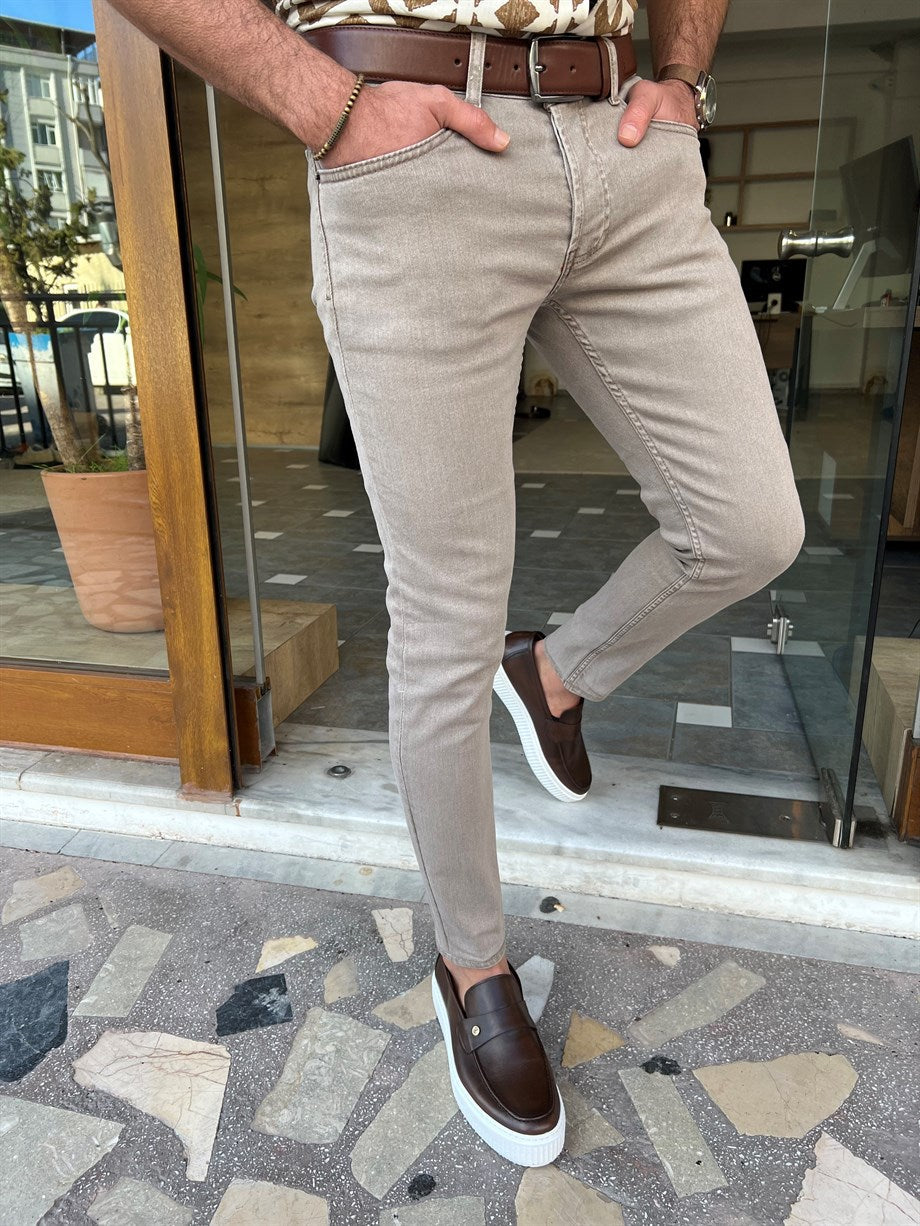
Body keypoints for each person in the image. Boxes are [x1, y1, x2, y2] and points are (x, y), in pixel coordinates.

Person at [111, 0, 806, 1168]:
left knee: (748, 525)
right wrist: (325, 104)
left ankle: (554, 672)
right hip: (411, 145)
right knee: (447, 611)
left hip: (627, 147)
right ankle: (472, 963)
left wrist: (682, 72)